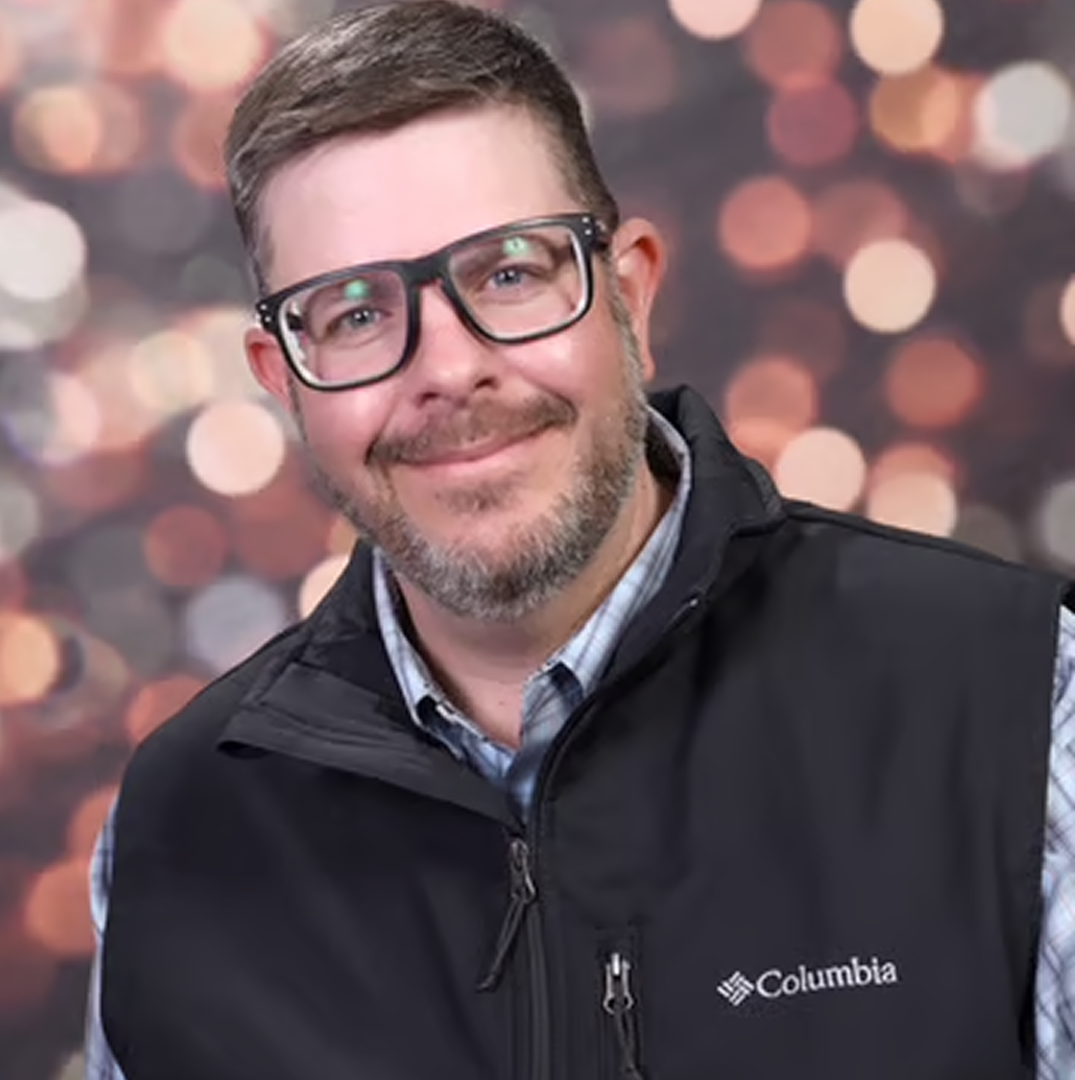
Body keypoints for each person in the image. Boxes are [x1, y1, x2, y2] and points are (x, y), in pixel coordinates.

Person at [84, 2, 1074, 1078]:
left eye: (510, 272)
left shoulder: (1014, 700)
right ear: (282, 382)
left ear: (630, 294)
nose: (450, 369)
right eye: (356, 312)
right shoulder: (180, 831)